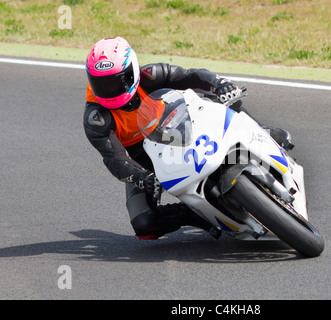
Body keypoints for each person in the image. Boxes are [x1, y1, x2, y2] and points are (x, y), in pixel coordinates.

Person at [83, 36, 292, 240]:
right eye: (102, 84)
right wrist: (141, 177)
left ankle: (260, 133)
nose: (110, 90)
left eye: (115, 82)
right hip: (143, 155)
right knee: (144, 223)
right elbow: (116, 159)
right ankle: (195, 213)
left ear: (132, 70)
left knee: (226, 99)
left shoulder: (150, 75)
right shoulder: (96, 118)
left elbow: (190, 76)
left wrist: (220, 84)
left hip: (179, 120)